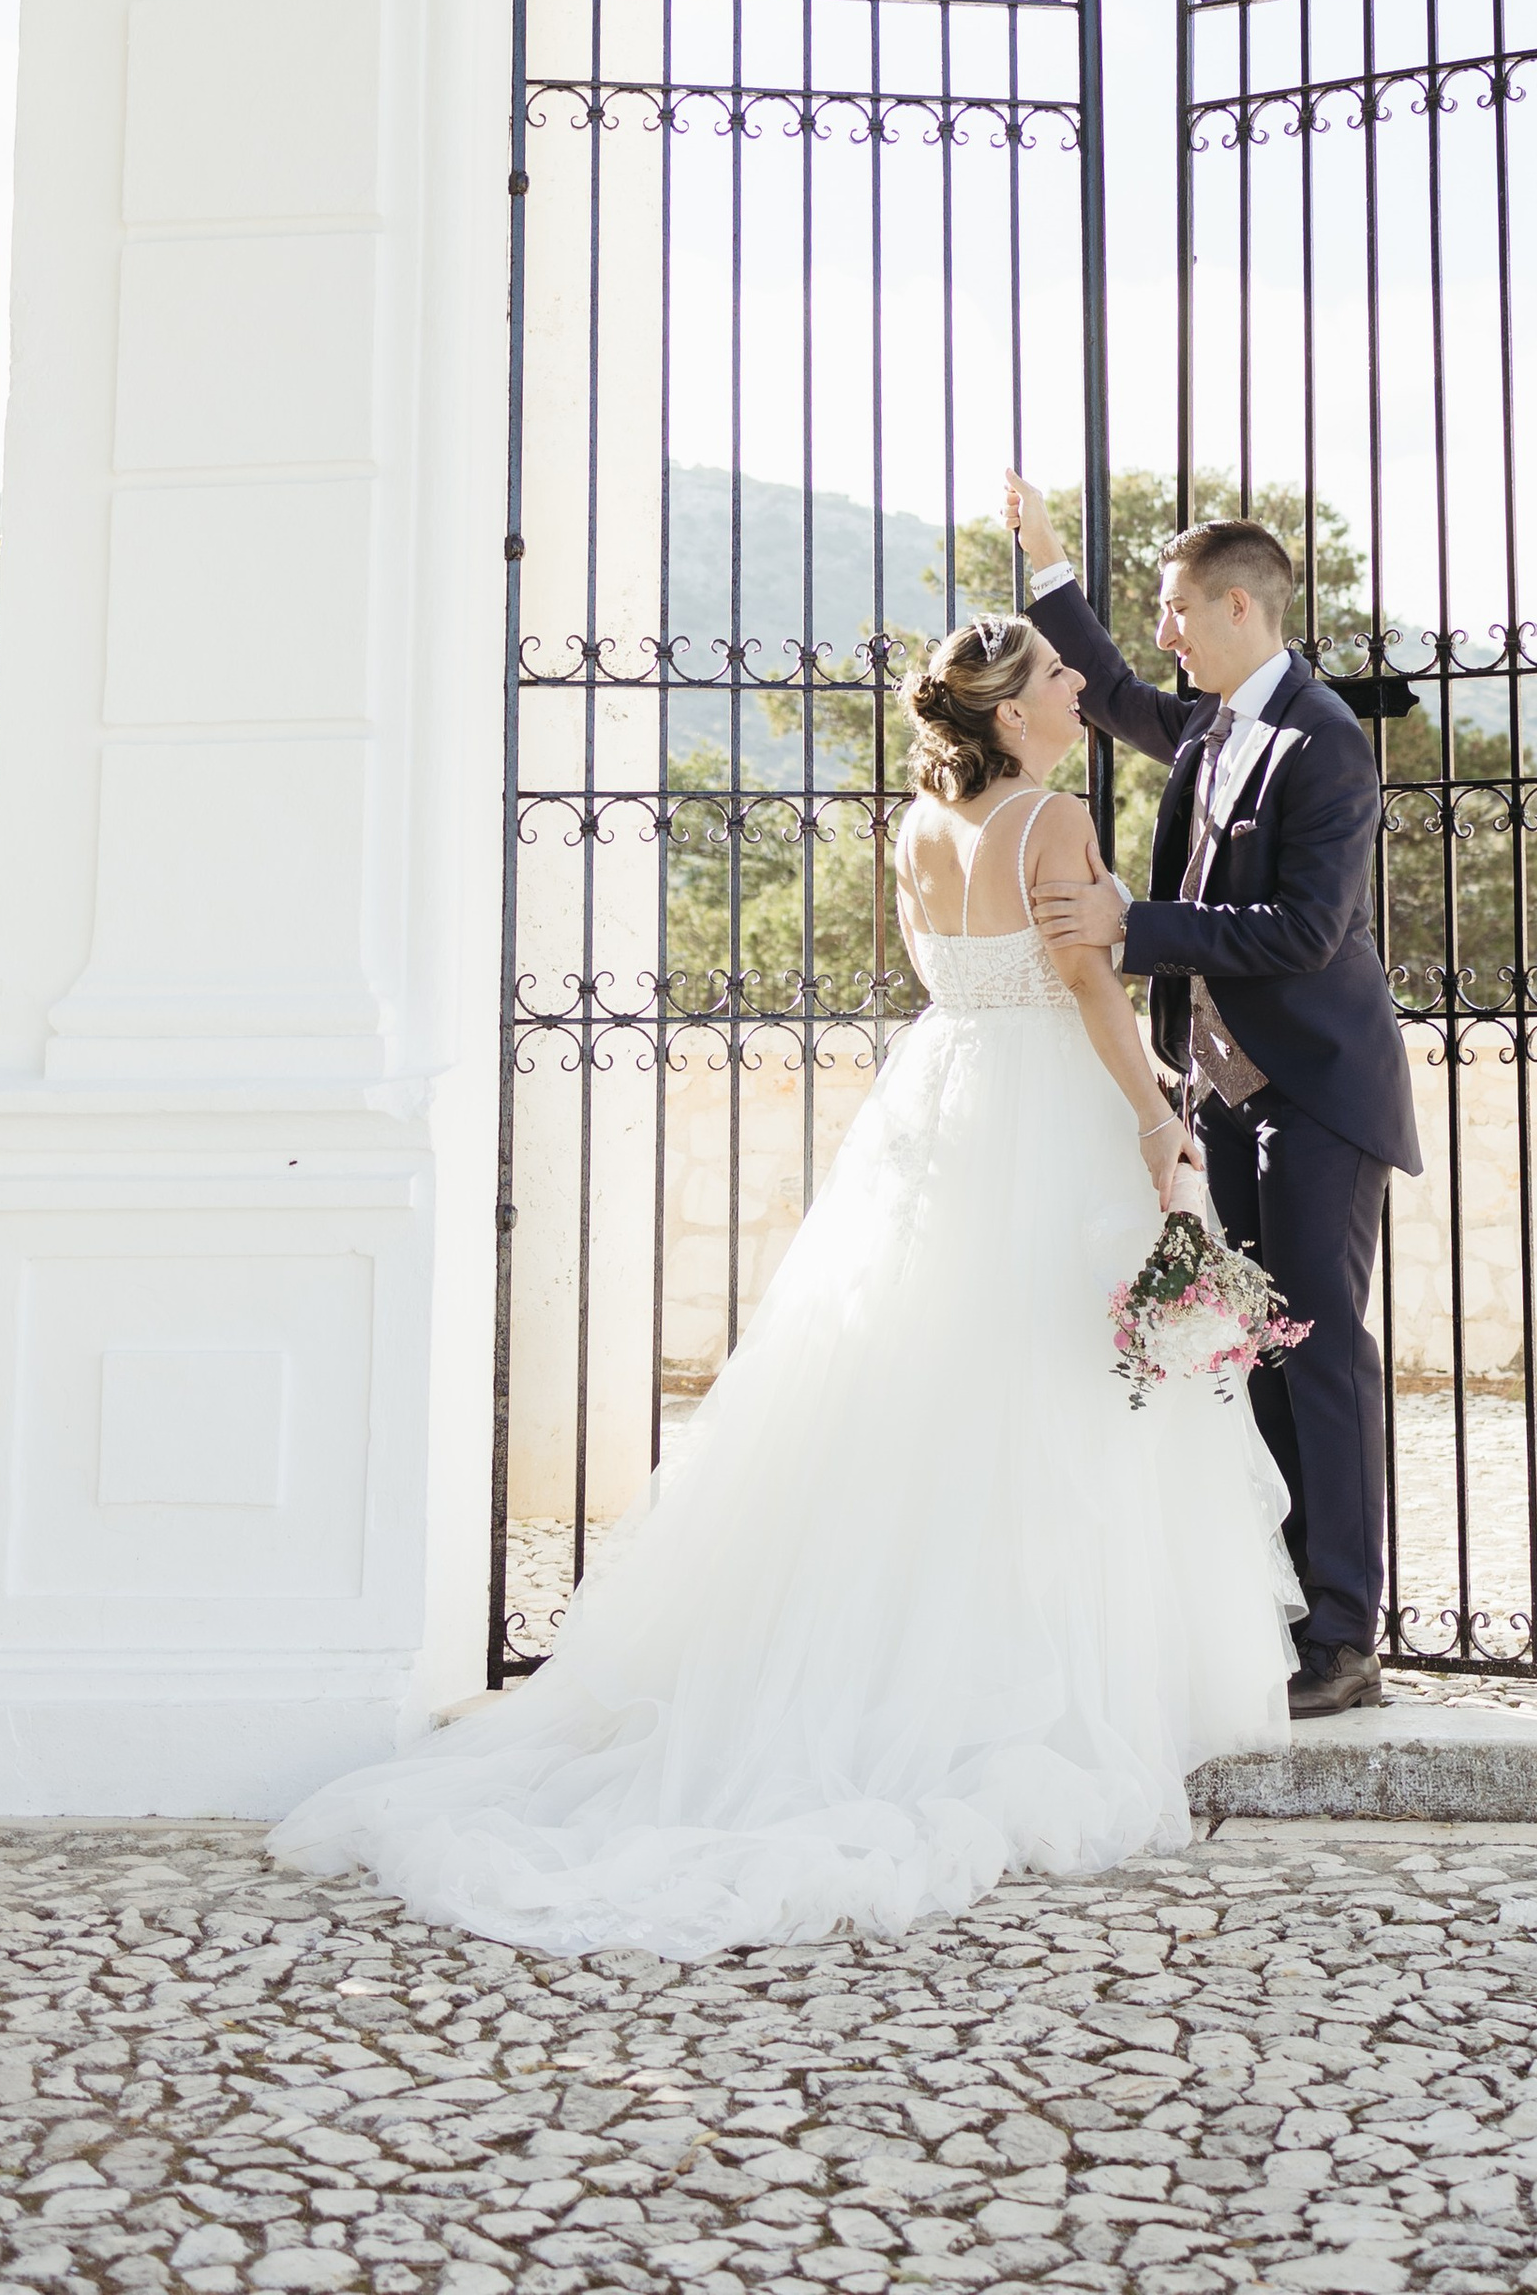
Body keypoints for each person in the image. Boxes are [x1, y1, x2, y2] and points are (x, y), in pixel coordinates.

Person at [269, 616, 1295, 1959]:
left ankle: (906, 1651)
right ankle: (1040, 1675)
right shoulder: (1051, 823)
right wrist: (1156, 1120)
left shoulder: (919, 827)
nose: (1078, 687)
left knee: (922, 1382)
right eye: (1056, 676)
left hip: (944, 1099)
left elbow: (960, 977)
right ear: (1008, 713)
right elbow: (1088, 987)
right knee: (1052, 1387)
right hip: (1044, 1108)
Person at [1010, 479, 1423, 1718]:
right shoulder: (1204, 725)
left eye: (1178, 611)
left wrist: (1130, 924)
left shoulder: (1323, 741)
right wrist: (1048, 570)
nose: (1166, 633)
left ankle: (1344, 1635)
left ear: (1239, 607)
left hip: (1315, 1092)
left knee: (1319, 1353)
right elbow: (1112, 691)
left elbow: (1304, 931)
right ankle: (1281, 1608)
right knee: (1252, 1352)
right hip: (1223, 1095)